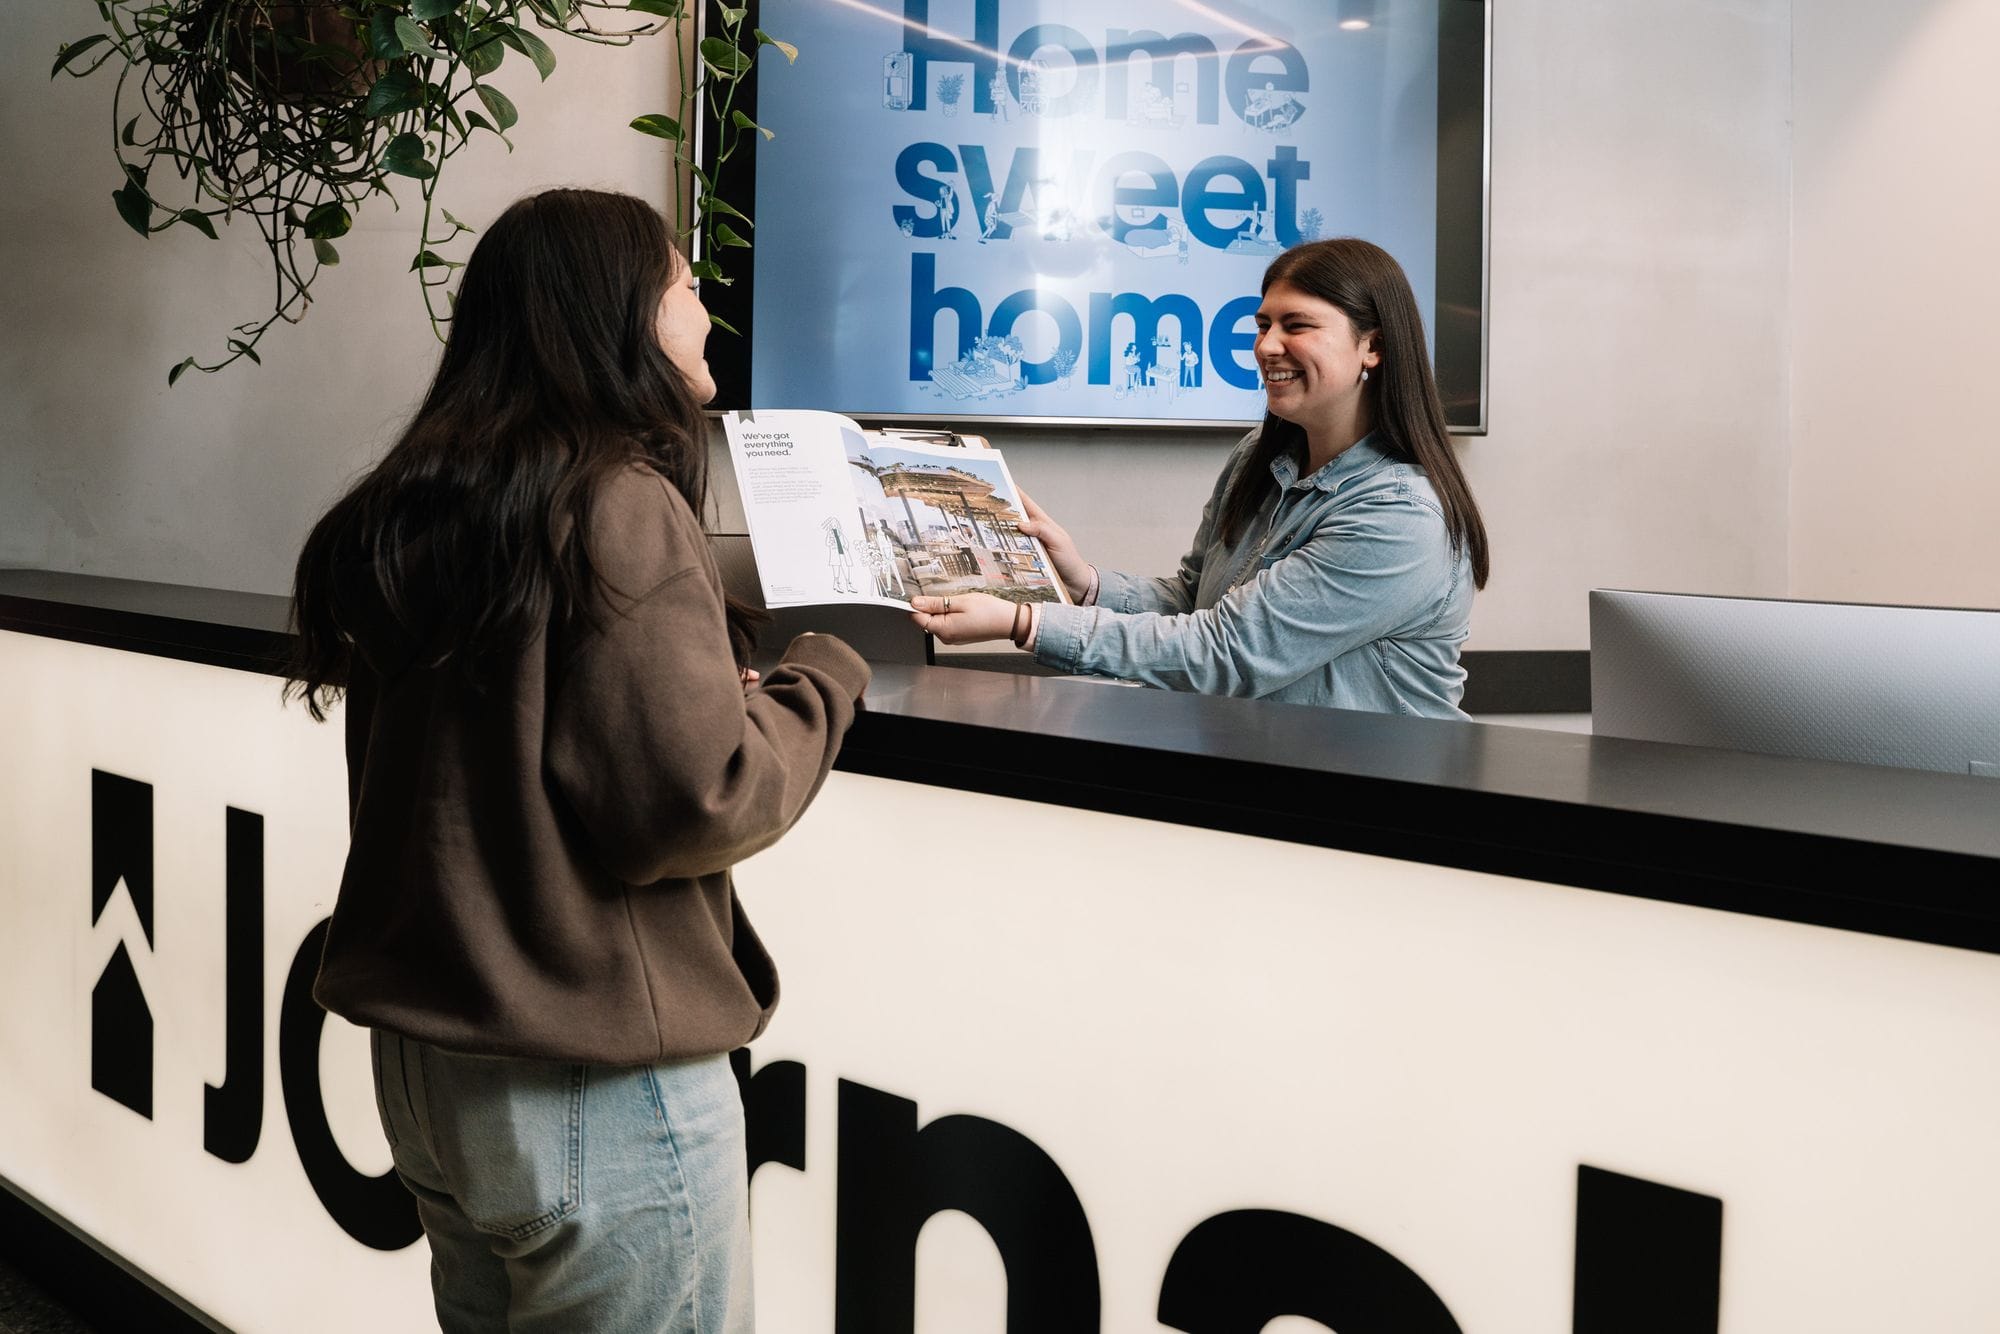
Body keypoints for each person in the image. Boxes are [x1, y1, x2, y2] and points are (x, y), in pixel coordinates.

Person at [286, 188, 870, 1332]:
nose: (707, 315)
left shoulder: (413, 506)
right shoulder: (617, 499)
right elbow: (696, 800)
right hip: (590, 1081)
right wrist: (823, 680)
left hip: (435, 1072)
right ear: (618, 316)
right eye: (685, 289)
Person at [910, 237, 1489, 719]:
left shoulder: (1403, 515)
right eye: (1263, 324)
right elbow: (1193, 603)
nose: (1267, 346)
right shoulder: (1257, 459)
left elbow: (1231, 653)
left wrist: (1027, 621)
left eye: (1297, 325)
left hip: (1373, 805)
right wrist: (1082, 581)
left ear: (1374, 346)